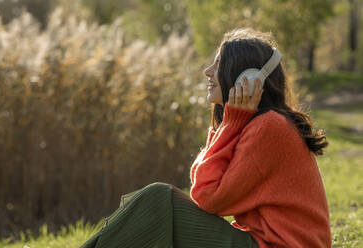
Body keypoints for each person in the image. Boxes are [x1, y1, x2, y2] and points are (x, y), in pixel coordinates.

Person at [80, 27, 331, 248]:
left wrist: (231, 123)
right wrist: (230, 123)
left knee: (158, 199)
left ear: (248, 79)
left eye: (219, 64)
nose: (207, 72)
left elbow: (206, 196)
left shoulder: (270, 128)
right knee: (156, 202)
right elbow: (203, 189)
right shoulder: (261, 124)